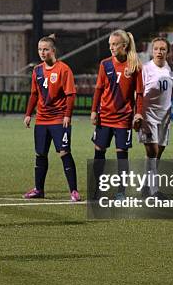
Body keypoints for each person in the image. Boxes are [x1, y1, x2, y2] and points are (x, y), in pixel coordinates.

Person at [23, 34, 80, 202]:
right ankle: (39, 189)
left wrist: (67, 116)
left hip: (58, 119)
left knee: (64, 152)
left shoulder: (63, 69)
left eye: (46, 49)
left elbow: (70, 95)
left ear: (53, 50)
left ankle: (74, 191)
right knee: (40, 154)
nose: (42, 52)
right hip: (41, 120)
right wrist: (28, 114)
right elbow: (34, 94)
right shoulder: (37, 70)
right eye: (40, 49)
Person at [90, 29, 143, 200]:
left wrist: (138, 114)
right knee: (99, 153)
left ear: (124, 45)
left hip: (123, 118)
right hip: (104, 117)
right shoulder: (105, 64)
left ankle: (121, 192)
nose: (111, 47)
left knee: (122, 156)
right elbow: (98, 89)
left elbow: (139, 93)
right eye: (110, 44)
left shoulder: (134, 65)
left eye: (114, 44)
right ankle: (97, 189)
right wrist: (93, 111)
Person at [137, 37, 173, 198]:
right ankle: (155, 191)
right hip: (148, 117)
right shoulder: (145, 69)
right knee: (152, 152)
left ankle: (144, 186)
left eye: (162, 49)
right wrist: (138, 114)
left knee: (157, 154)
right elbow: (139, 94)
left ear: (167, 52)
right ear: (152, 51)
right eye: (156, 49)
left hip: (165, 118)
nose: (159, 52)